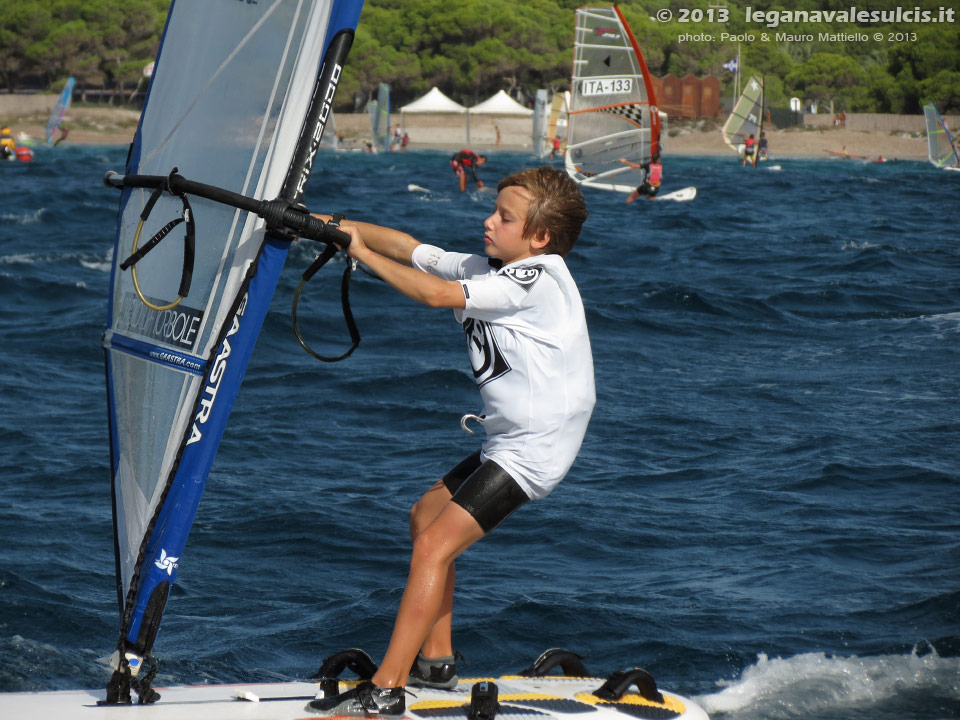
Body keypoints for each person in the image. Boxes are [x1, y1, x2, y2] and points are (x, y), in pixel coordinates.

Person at [307, 166, 595, 717]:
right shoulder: (496, 267)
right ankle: (436, 663)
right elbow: (412, 249)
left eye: (503, 217)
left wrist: (359, 253)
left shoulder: (536, 279)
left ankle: (387, 690)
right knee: (424, 517)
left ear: (539, 238)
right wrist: (324, 224)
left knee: (433, 546)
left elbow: (438, 294)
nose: (488, 221)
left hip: (536, 449)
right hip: (508, 439)